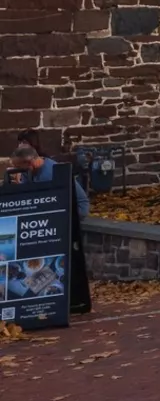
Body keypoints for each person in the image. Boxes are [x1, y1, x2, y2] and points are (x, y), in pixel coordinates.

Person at [9, 134, 89, 314]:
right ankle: (37, 291)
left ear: (30, 164)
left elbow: (75, 201)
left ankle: (51, 295)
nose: (18, 172)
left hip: (71, 212)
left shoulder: (51, 172)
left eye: (19, 168)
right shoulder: (32, 173)